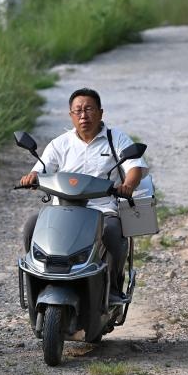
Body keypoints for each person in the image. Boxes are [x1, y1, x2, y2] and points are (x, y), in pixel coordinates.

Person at [19, 87, 147, 303]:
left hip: (103, 209)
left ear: (100, 112)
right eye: (77, 110)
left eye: (88, 109)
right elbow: (41, 168)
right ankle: (38, 280)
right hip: (64, 210)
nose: (83, 115)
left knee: (114, 233)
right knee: (32, 226)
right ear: (70, 115)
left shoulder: (116, 139)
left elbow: (135, 167)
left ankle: (113, 287)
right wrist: (31, 177)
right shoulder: (60, 143)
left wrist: (128, 185)